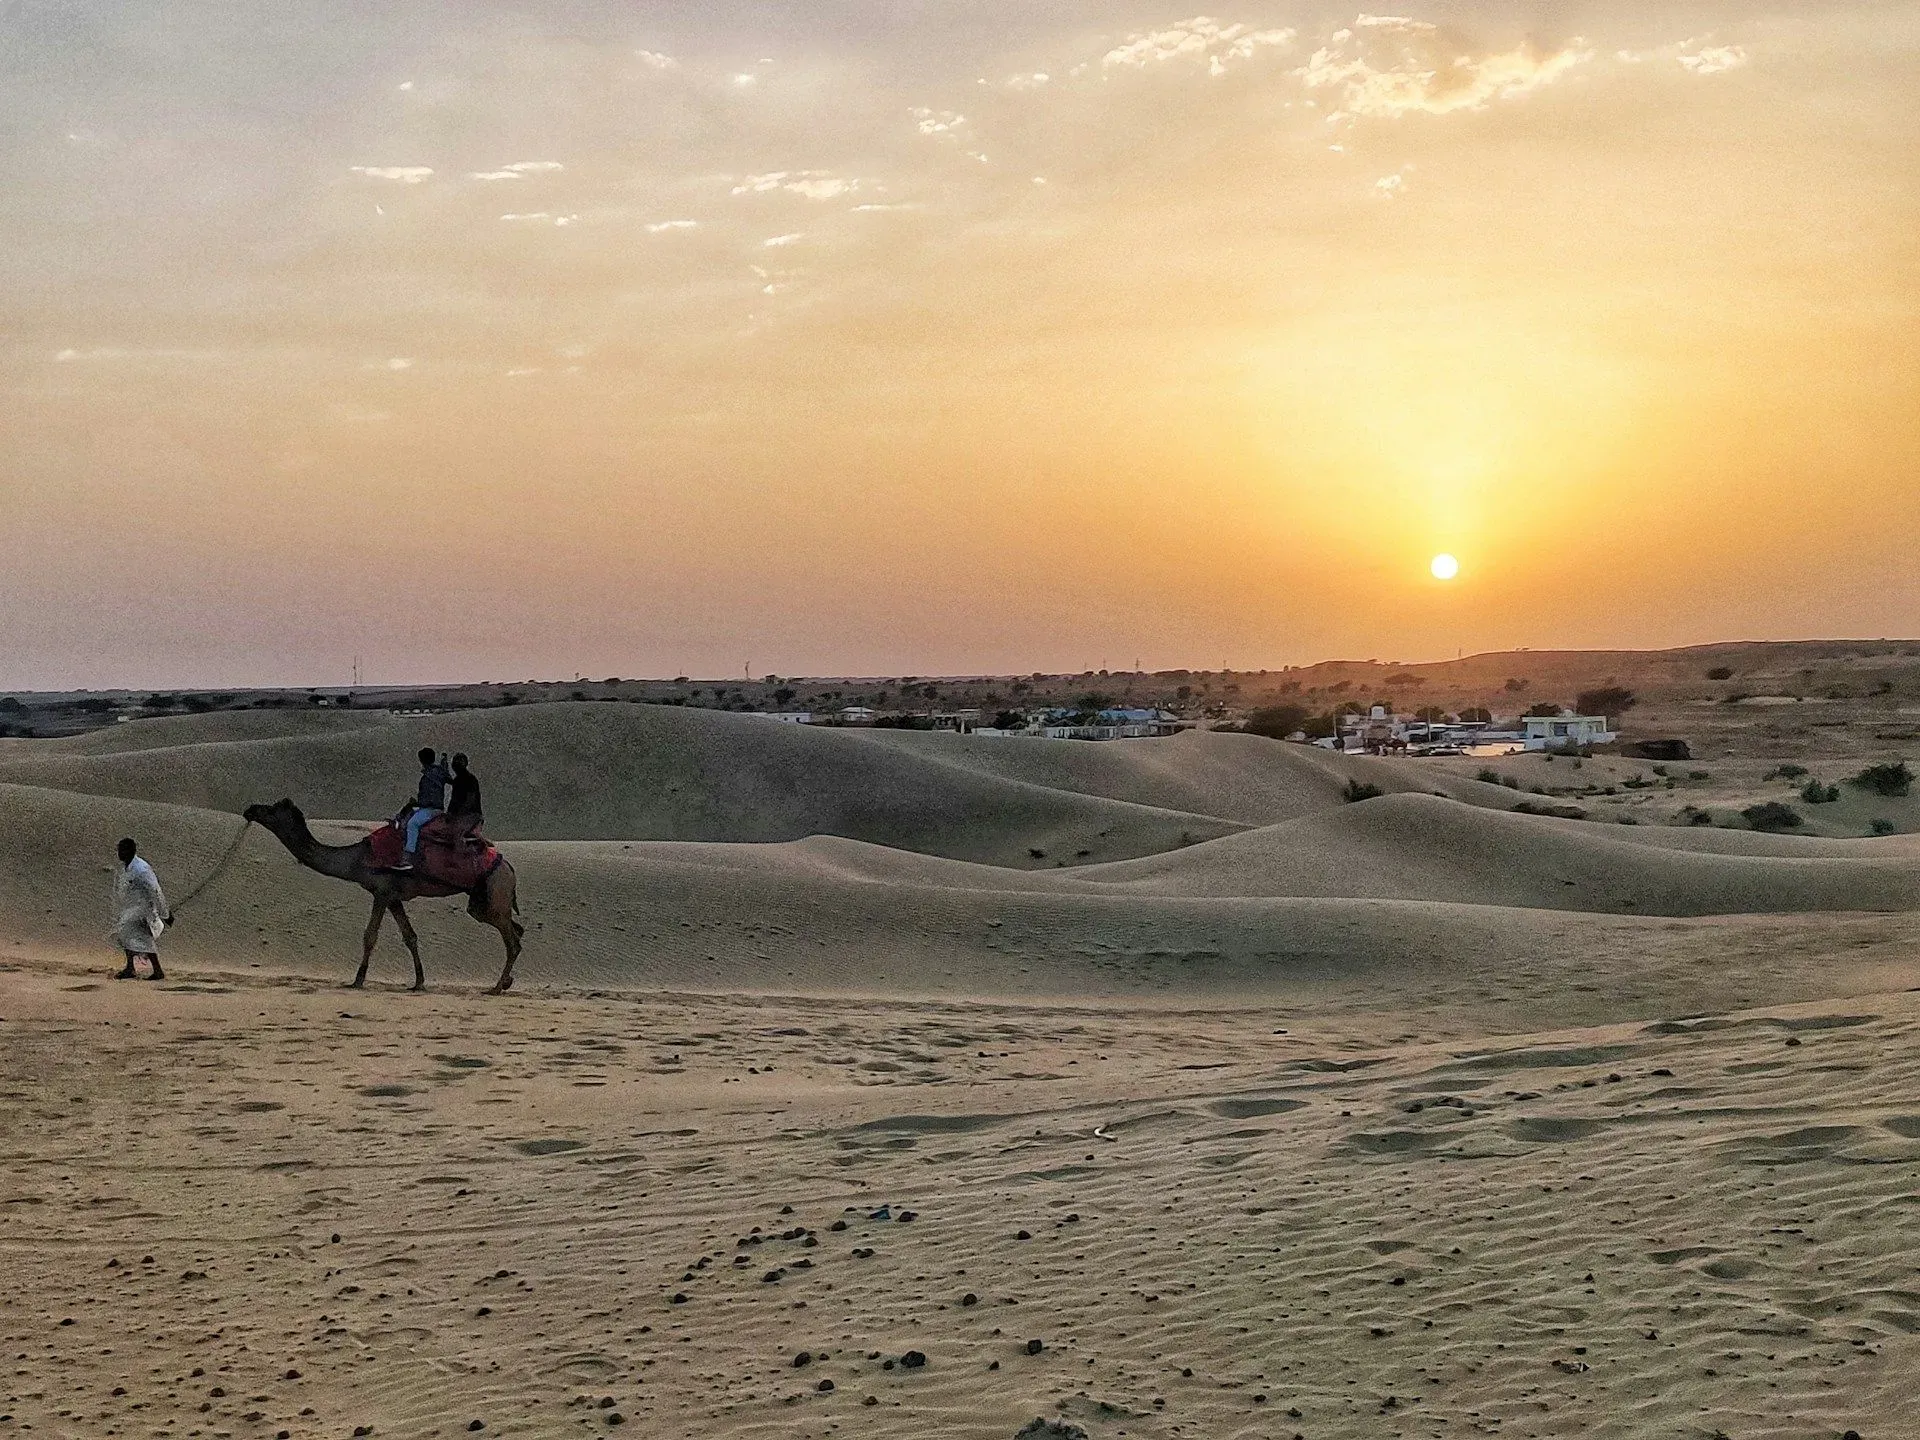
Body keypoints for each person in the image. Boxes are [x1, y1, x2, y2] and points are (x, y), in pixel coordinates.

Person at [111, 837, 169, 980]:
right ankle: (130, 968)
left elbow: (155, 889)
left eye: (122, 850)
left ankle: (157, 970)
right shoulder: (126, 867)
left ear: (130, 851)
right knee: (125, 936)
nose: (119, 853)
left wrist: (165, 912)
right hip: (130, 909)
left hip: (143, 910)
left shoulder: (141, 869)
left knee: (143, 939)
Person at [397, 747, 450, 870]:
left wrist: (416, 803)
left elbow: (429, 798)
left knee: (412, 824)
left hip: (431, 809)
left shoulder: (430, 775)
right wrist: (444, 768)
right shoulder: (438, 771)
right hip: (429, 807)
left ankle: (408, 858)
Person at [447, 752, 484, 835]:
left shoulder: (470, 779)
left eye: (457, 764)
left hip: (470, 816)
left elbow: (470, 800)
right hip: (466, 816)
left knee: (455, 835)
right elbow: (454, 800)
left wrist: (456, 814)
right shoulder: (459, 780)